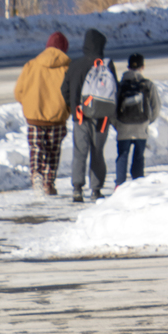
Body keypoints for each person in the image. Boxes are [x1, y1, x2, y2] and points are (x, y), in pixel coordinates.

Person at [60, 28, 117, 203]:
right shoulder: (106, 65)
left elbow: (64, 89)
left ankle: (77, 188)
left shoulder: (75, 65)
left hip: (81, 116)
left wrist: (74, 106)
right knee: (97, 152)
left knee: (80, 152)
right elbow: (116, 91)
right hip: (102, 117)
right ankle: (96, 189)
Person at [13, 31, 70, 195]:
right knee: (54, 150)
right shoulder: (67, 67)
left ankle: (36, 173)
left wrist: (29, 103)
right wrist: (67, 109)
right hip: (57, 118)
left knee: (36, 147)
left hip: (34, 116)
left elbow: (19, 91)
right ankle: (49, 183)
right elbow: (71, 94)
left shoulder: (31, 65)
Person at [113, 52, 161, 187]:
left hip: (123, 126)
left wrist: (117, 123)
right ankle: (138, 185)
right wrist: (147, 121)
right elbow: (156, 106)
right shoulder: (147, 84)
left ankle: (120, 185)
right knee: (139, 157)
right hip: (141, 127)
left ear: (128, 67)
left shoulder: (120, 85)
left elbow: (112, 107)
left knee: (122, 156)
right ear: (142, 67)